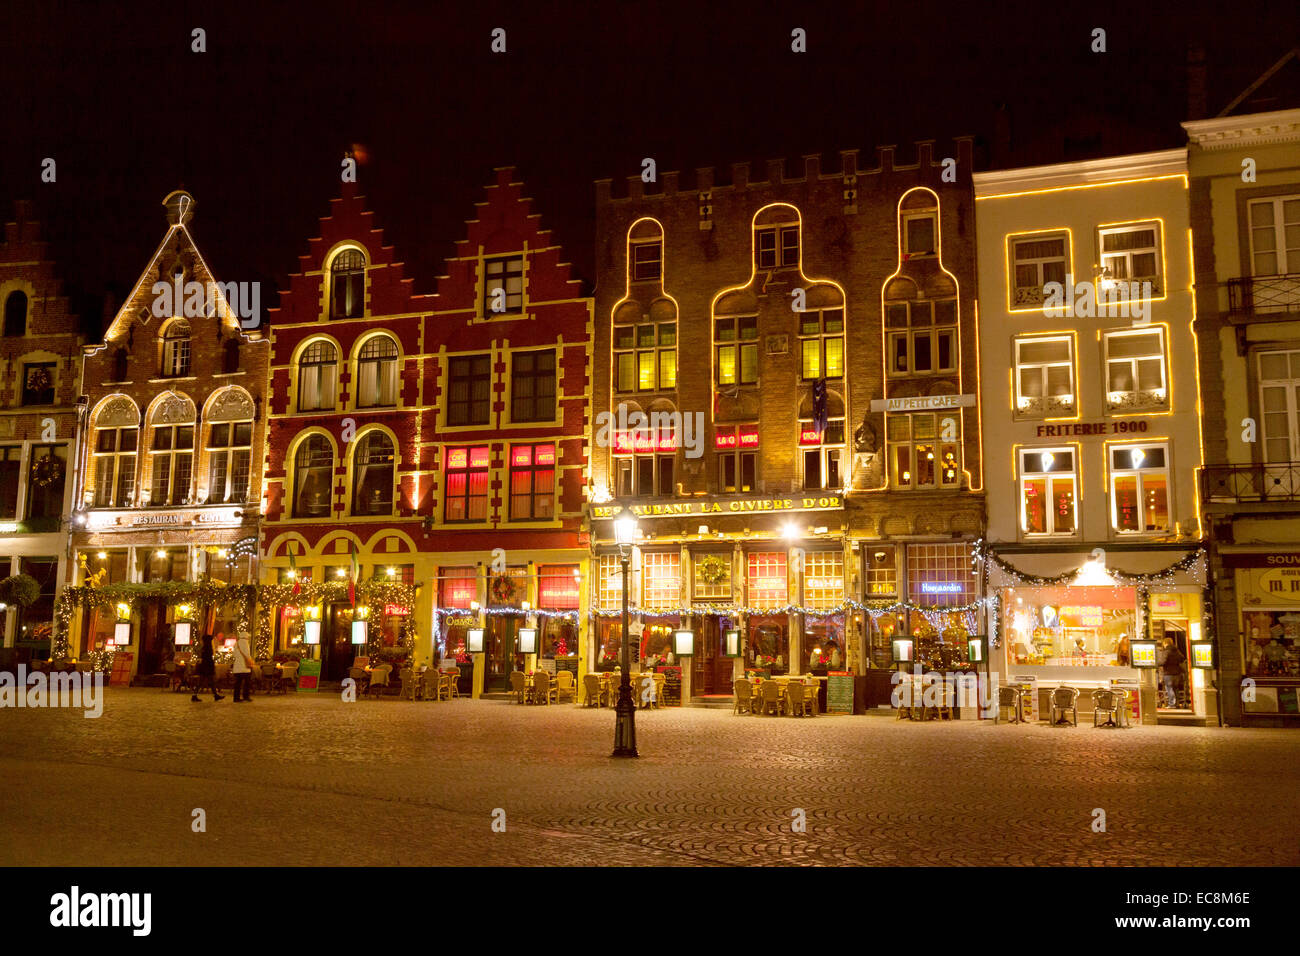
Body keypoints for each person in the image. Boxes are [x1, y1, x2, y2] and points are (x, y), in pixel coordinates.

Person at [192, 632, 223, 702]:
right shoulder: (208, 648)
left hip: (204, 666)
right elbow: (208, 658)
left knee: (206, 682)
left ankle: (215, 695)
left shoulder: (204, 647)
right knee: (208, 681)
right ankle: (215, 695)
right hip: (207, 667)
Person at [232, 631, 255, 703]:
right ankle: (246, 696)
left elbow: (234, 655)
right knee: (247, 682)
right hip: (245, 667)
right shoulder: (245, 643)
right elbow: (247, 654)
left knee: (237, 683)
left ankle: (236, 697)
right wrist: (251, 661)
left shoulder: (236, 643)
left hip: (237, 666)